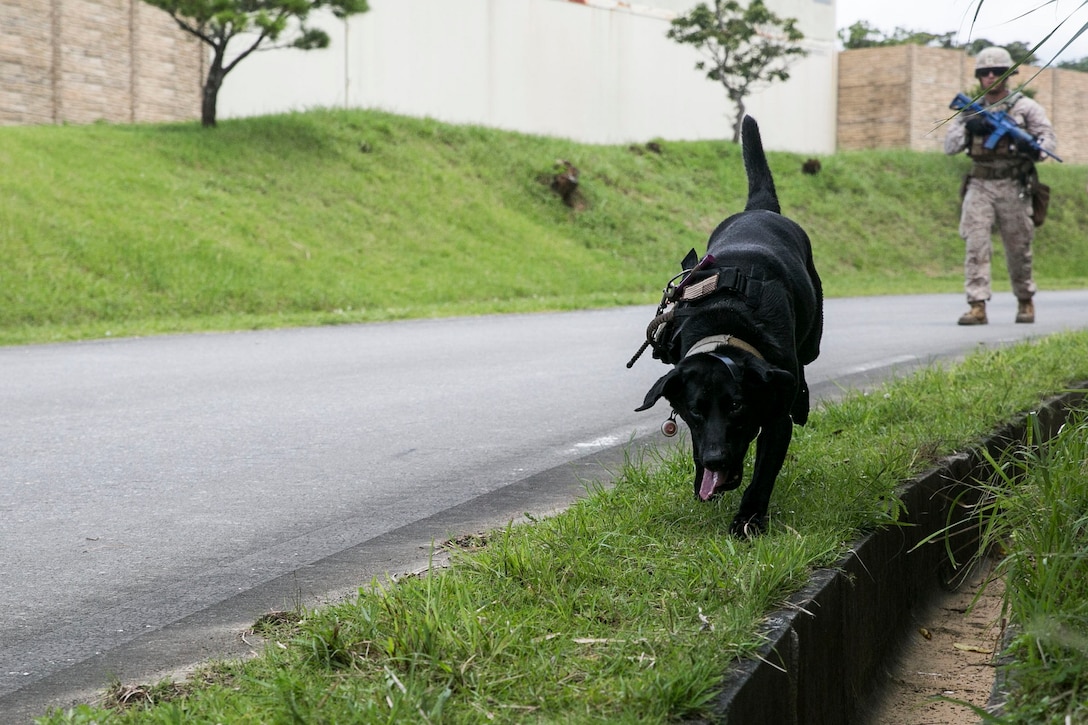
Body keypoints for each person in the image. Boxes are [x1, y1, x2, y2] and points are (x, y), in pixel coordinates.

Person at [944, 46, 1057, 325]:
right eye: (985, 72)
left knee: (1019, 247)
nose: (991, 76)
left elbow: (1048, 141)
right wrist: (970, 126)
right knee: (976, 245)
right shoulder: (970, 109)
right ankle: (977, 304)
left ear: (1009, 75)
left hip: (1014, 184)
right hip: (980, 184)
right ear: (978, 76)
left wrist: (1031, 147)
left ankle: (1025, 300)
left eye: (998, 71)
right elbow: (950, 147)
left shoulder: (1025, 107)